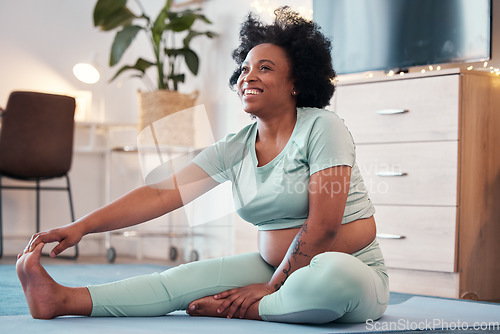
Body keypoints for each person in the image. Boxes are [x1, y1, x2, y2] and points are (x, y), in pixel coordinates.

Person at [16, 7, 389, 324]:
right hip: (273, 268)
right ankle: (62, 300)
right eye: (244, 68)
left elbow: (323, 227)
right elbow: (162, 194)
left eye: (266, 68)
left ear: (296, 82)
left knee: (330, 280)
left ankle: (251, 307)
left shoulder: (323, 128)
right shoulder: (235, 147)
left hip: (348, 268)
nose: (248, 76)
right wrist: (81, 227)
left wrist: (272, 287)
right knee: (182, 279)